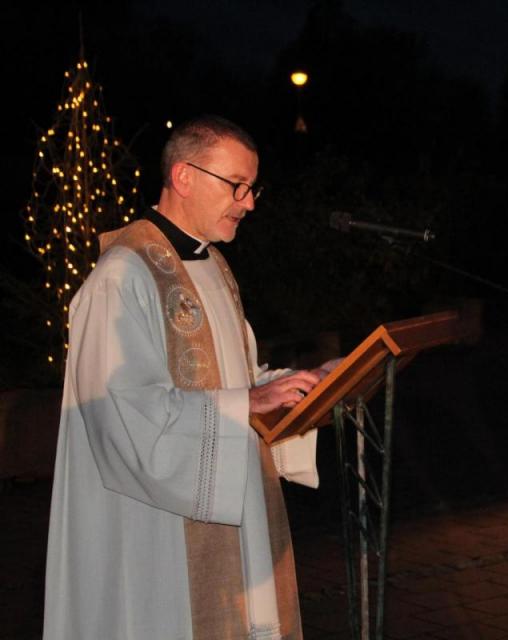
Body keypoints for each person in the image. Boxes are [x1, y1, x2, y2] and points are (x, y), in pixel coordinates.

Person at [44, 115, 336, 639]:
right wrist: (243, 403)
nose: (249, 203)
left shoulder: (214, 266)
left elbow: (237, 376)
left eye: (253, 188)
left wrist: (306, 381)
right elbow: (122, 413)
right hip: (155, 530)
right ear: (184, 176)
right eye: (237, 186)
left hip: (228, 503)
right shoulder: (121, 278)